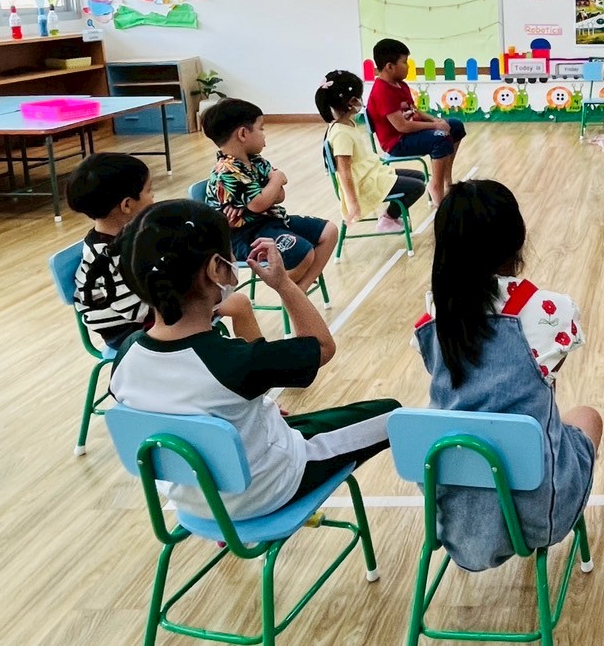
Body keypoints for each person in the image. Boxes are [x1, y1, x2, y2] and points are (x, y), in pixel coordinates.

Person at [110, 200, 400, 521]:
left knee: (272, 414)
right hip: (265, 491)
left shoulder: (126, 356)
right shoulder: (235, 362)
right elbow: (321, 346)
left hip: (191, 499)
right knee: (394, 416)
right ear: (216, 268)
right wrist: (283, 284)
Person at [413, 180, 600, 570]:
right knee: (586, 418)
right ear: (519, 237)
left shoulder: (432, 320)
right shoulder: (550, 310)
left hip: (454, 517)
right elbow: (549, 372)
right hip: (539, 514)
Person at [67, 152, 259, 347]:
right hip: (131, 330)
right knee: (238, 303)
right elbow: (136, 311)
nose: (153, 196)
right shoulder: (105, 255)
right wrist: (196, 302)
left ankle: (250, 358)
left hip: (155, 308)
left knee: (235, 301)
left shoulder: (133, 234)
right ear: (127, 205)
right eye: (149, 190)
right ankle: (254, 360)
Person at [202, 98, 337, 292]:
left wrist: (270, 190)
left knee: (329, 231)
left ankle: (301, 290)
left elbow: (279, 195)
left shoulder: (256, 161)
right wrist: (276, 179)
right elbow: (259, 203)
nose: (264, 135)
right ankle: (291, 294)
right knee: (302, 252)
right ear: (243, 134)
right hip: (245, 236)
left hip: (270, 222)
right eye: (261, 128)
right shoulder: (227, 171)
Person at [315, 69, 426, 234]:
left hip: (371, 173)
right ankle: (388, 219)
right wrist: (352, 203)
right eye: (359, 98)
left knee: (420, 177)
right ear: (351, 102)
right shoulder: (341, 133)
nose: (361, 101)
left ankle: (391, 216)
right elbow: (344, 171)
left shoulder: (347, 124)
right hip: (365, 183)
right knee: (418, 187)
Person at [367, 38, 465, 206]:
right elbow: (402, 126)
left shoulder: (401, 85)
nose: (408, 66)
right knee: (441, 137)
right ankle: (436, 186)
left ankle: (446, 178)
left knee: (455, 126)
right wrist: (435, 126)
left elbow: (414, 110)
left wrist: (434, 119)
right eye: (404, 62)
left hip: (412, 133)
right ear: (390, 66)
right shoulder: (382, 91)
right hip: (398, 142)